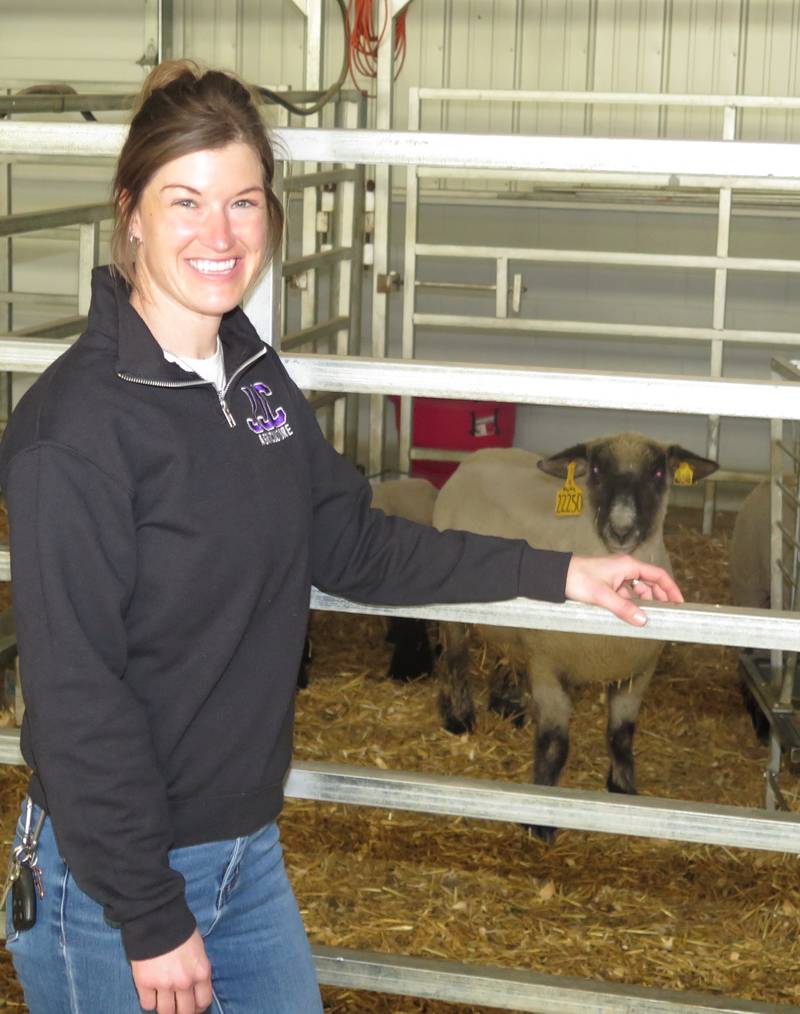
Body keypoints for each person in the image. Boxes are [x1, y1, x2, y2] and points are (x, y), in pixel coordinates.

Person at [0, 61, 682, 1014]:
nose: (220, 235)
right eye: (185, 200)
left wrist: (563, 572)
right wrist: (150, 914)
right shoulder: (75, 431)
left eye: (243, 202)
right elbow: (76, 694)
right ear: (132, 213)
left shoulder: (253, 378)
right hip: (117, 884)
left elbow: (355, 543)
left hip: (244, 855)